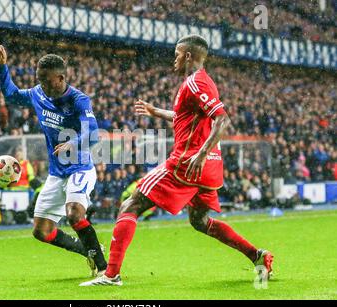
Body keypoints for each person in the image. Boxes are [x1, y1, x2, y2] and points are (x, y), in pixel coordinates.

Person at [81, 35, 273, 286]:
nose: (174, 60)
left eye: (177, 54)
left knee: (130, 204)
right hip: (210, 167)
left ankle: (111, 275)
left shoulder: (195, 83)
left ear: (189, 56)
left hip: (187, 162)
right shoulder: (202, 83)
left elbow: (222, 119)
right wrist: (155, 111)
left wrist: (201, 153)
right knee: (200, 221)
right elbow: (184, 116)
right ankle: (257, 256)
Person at [0, 45, 107, 276]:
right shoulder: (38, 94)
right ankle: (90, 250)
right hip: (57, 174)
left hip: (80, 168)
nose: (42, 84)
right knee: (41, 231)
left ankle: (106, 271)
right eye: (39, 79)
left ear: (61, 77)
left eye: (46, 79)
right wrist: (2, 67)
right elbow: (12, 95)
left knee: (74, 213)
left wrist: (73, 143)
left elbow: (93, 132)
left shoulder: (78, 100)